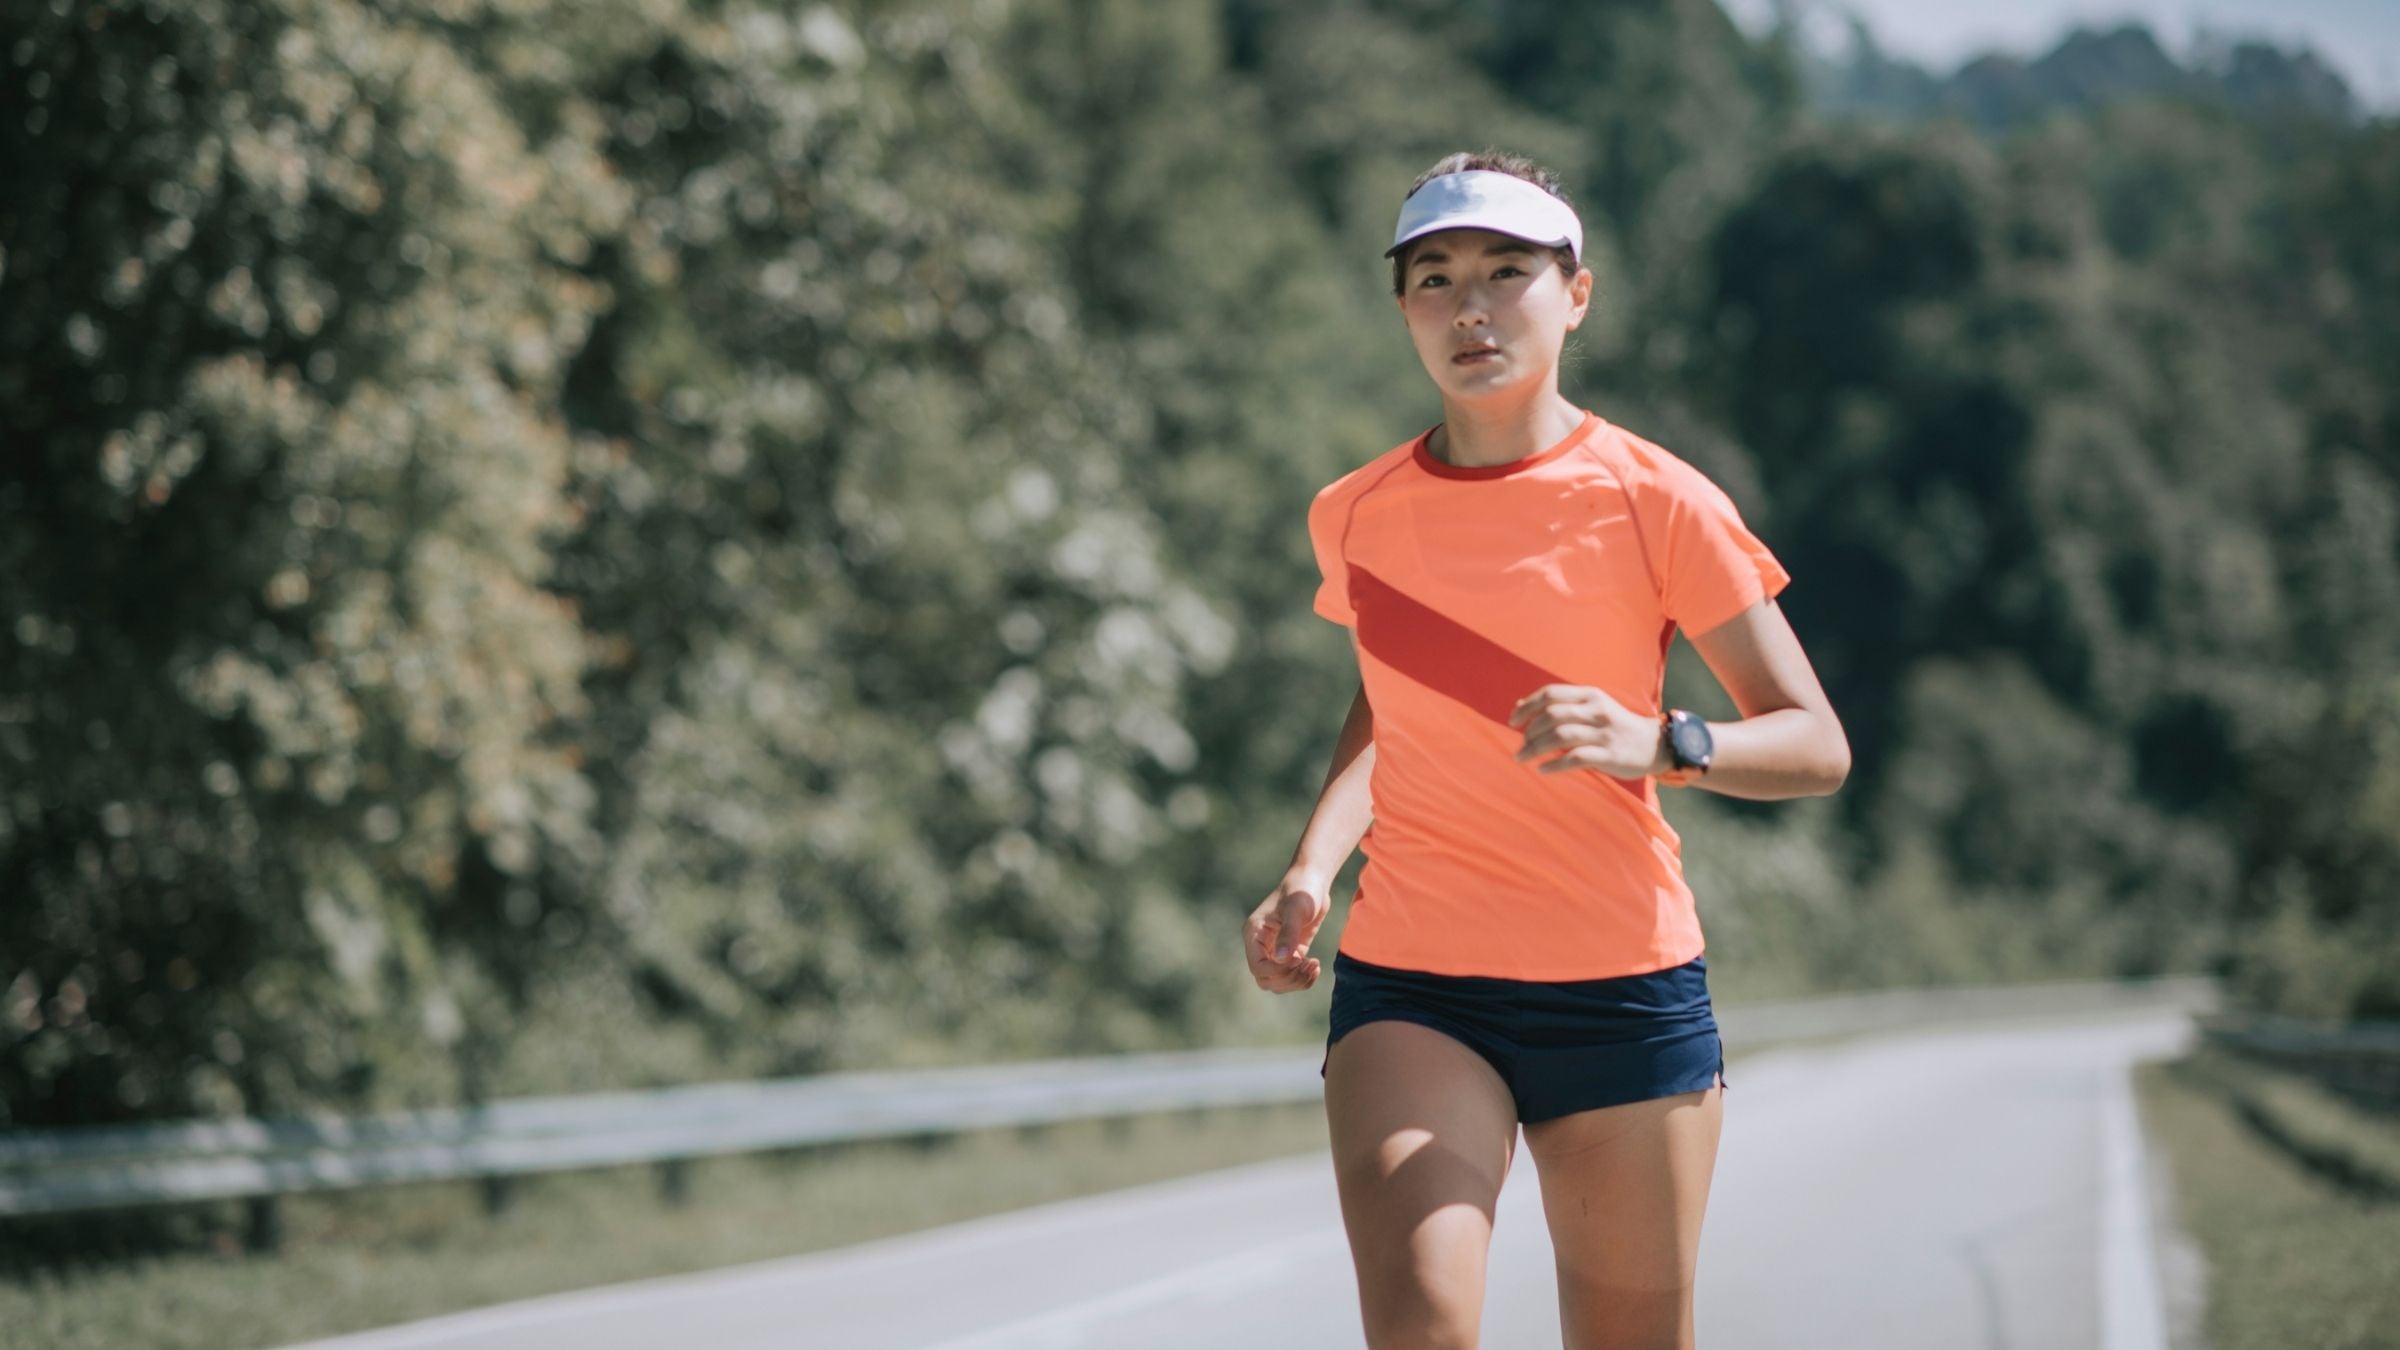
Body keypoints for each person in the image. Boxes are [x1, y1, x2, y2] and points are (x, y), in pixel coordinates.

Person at [1242, 150, 1852, 1350]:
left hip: (1625, 991)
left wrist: (1661, 739)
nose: (1469, 307)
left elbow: (1816, 743)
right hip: (1415, 987)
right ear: (1405, 308)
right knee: (1421, 1327)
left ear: (1576, 294)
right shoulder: (1354, 514)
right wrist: (1314, 864)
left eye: (1505, 272)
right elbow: (1390, 701)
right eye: (1434, 278)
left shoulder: (1656, 499)